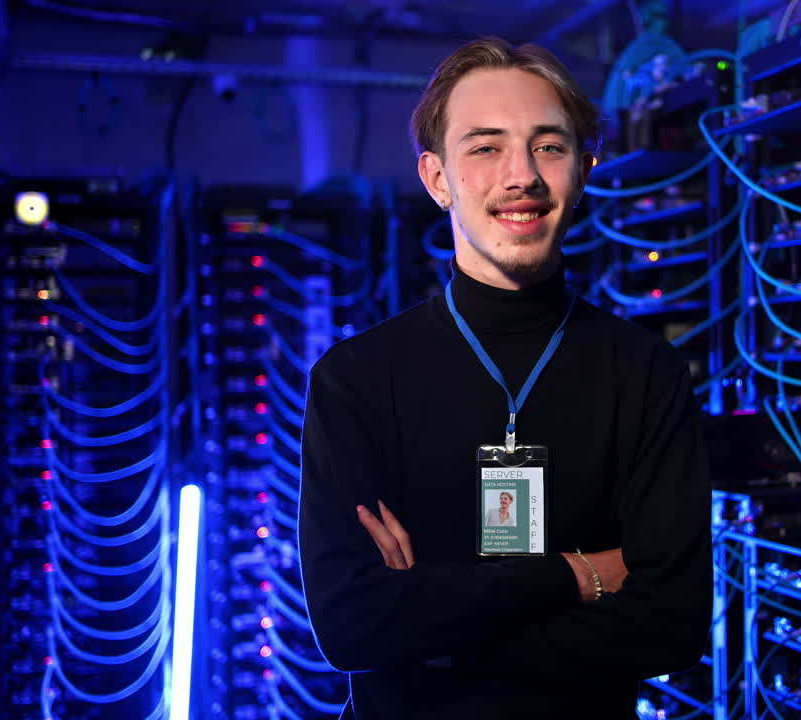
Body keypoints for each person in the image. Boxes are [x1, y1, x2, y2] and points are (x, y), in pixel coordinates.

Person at [298, 36, 711, 720]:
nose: (521, 175)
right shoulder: (355, 380)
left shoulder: (646, 374)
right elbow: (351, 627)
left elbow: (673, 623)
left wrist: (431, 624)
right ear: (437, 179)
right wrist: (574, 575)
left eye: (549, 145)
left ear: (583, 172)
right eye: (485, 147)